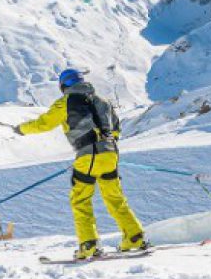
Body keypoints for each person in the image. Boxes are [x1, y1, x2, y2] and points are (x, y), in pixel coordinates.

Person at [14, 69, 146, 259]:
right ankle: (134, 237)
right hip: (110, 153)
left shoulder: (66, 102)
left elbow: (44, 123)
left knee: (81, 200)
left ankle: (89, 245)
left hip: (88, 154)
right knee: (115, 198)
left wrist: (21, 129)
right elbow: (116, 128)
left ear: (63, 85)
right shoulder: (103, 101)